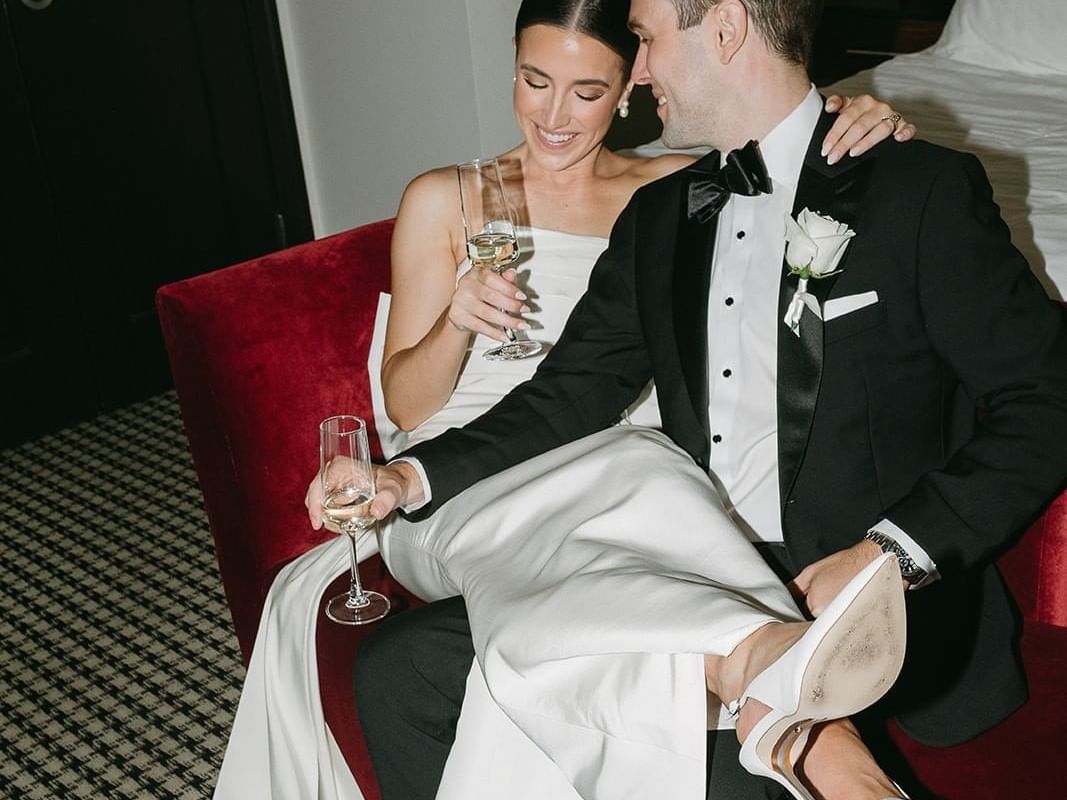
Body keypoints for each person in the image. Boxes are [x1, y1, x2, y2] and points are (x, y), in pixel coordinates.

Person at [357, 0, 1067, 798]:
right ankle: (780, 714)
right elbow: (569, 393)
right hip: (685, 562)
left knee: (693, 762)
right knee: (399, 672)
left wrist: (888, 554)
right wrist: (410, 478)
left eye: (650, 40)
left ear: (724, 29)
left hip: (860, 594)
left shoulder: (916, 190)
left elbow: (1045, 400)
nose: (643, 69)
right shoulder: (662, 213)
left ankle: (806, 734)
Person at [211, 2, 909, 799]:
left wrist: (861, 120)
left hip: (608, 459)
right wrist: (454, 322)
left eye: (584, 91)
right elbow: (406, 408)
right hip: (458, 476)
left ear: (629, 90)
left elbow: (790, 152)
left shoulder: (675, 190)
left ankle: (765, 706)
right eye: (533, 80)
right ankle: (781, 691)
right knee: (631, 481)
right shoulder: (446, 197)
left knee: (643, 472)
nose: (551, 113)